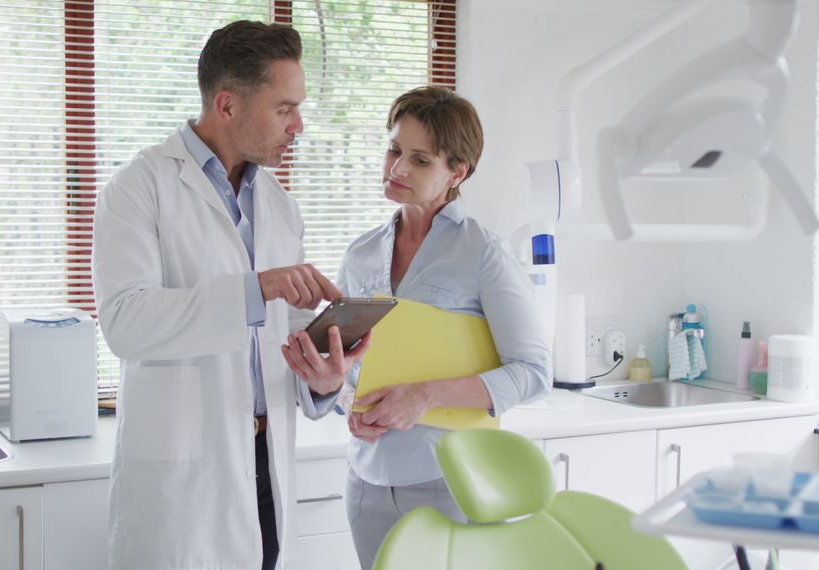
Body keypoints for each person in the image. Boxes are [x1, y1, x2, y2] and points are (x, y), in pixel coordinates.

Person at [92, 20, 368, 570]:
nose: (300, 125)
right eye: (285, 109)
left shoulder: (280, 205)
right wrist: (254, 289)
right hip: (184, 482)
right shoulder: (138, 188)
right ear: (228, 106)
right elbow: (125, 323)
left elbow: (285, 340)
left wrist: (323, 381)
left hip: (266, 468)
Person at [336, 87, 552, 569]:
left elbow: (534, 372)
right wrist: (349, 405)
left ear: (458, 172)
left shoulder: (483, 254)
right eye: (394, 151)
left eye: (419, 160)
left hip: (453, 483)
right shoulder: (361, 254)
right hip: (366, 482)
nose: (396, 169)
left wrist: (427, 394)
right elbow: (348, 367)